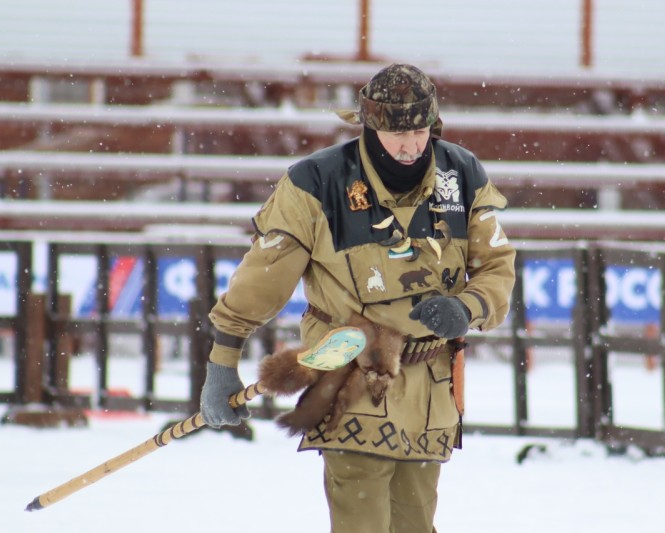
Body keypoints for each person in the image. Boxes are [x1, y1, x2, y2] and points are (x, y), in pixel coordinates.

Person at [200, 63, 516, 532]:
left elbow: (496, 268)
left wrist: (466, 308)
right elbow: (259, 283)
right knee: (361, 521)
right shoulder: (316, 182)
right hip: (350, 378)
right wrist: (222, 362)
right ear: (368, 124)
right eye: (396, 133)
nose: (410, 146)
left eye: (420, 131)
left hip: (431, 390)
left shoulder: (462, 174)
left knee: (415, 523)